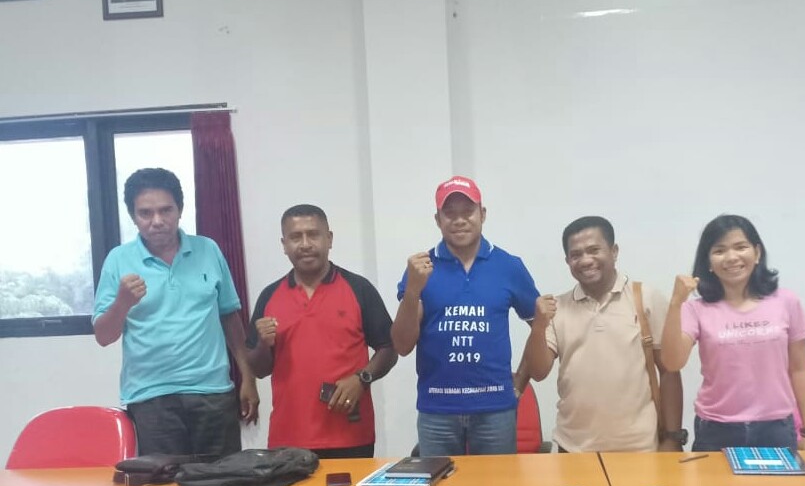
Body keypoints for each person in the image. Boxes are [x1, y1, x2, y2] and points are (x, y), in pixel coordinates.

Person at [93, 168, 259, 456]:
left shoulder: (208, 250)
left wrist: (248, 377)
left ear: (180, 209)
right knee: (164, 484)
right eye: (145, 213)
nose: (157, 221)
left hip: (213, 393)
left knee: (224, 480)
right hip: (151, 398)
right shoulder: (118, 260)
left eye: (166, 210)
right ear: (133, 216)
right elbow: (104, 336)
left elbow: (230, 318)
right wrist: (122, 302)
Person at [391, 176, 539, 456]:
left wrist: (520, 381)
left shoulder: (509, 266)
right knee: (440, 485)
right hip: (437, 410)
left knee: (498, 484)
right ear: (438, 220)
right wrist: (412, 291)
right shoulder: (420, 268)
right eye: (450, 213)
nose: (459, 220)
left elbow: (542, 327)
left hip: (495, 409)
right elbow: (402, 345)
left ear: (482, 214)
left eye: (468, 211)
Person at [518, 216, 685, 453]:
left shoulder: (645, 298)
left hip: (639, 448)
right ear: (567, 261)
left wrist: (673, 438)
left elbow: (669, 371)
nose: (586, 260)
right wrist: (538, 325)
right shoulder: (557, 307)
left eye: (594, 250)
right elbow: (538, 371)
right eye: (576, 255)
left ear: (614, 251)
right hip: (573, 448)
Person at [247, 204, 397, 459]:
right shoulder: (270, 296)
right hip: (288, 438)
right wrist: (263, 344)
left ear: (329, 239)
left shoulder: (358, 288)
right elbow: (259, 369)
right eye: (296, 237)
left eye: (313, 235)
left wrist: (362, 379)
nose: (305, 244)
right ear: (284, 245)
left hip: (350, 434)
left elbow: (390, 348)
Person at [660, 214, 805, 451]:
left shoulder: (786, 302)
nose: (731, 257)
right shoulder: (695, 309)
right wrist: (675, 303)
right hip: (716, 429)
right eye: (720, 250)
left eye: (740, 247)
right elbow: (673, 362)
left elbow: (800, 369)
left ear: (757, 253)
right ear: (708, 262)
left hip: (775, 427)